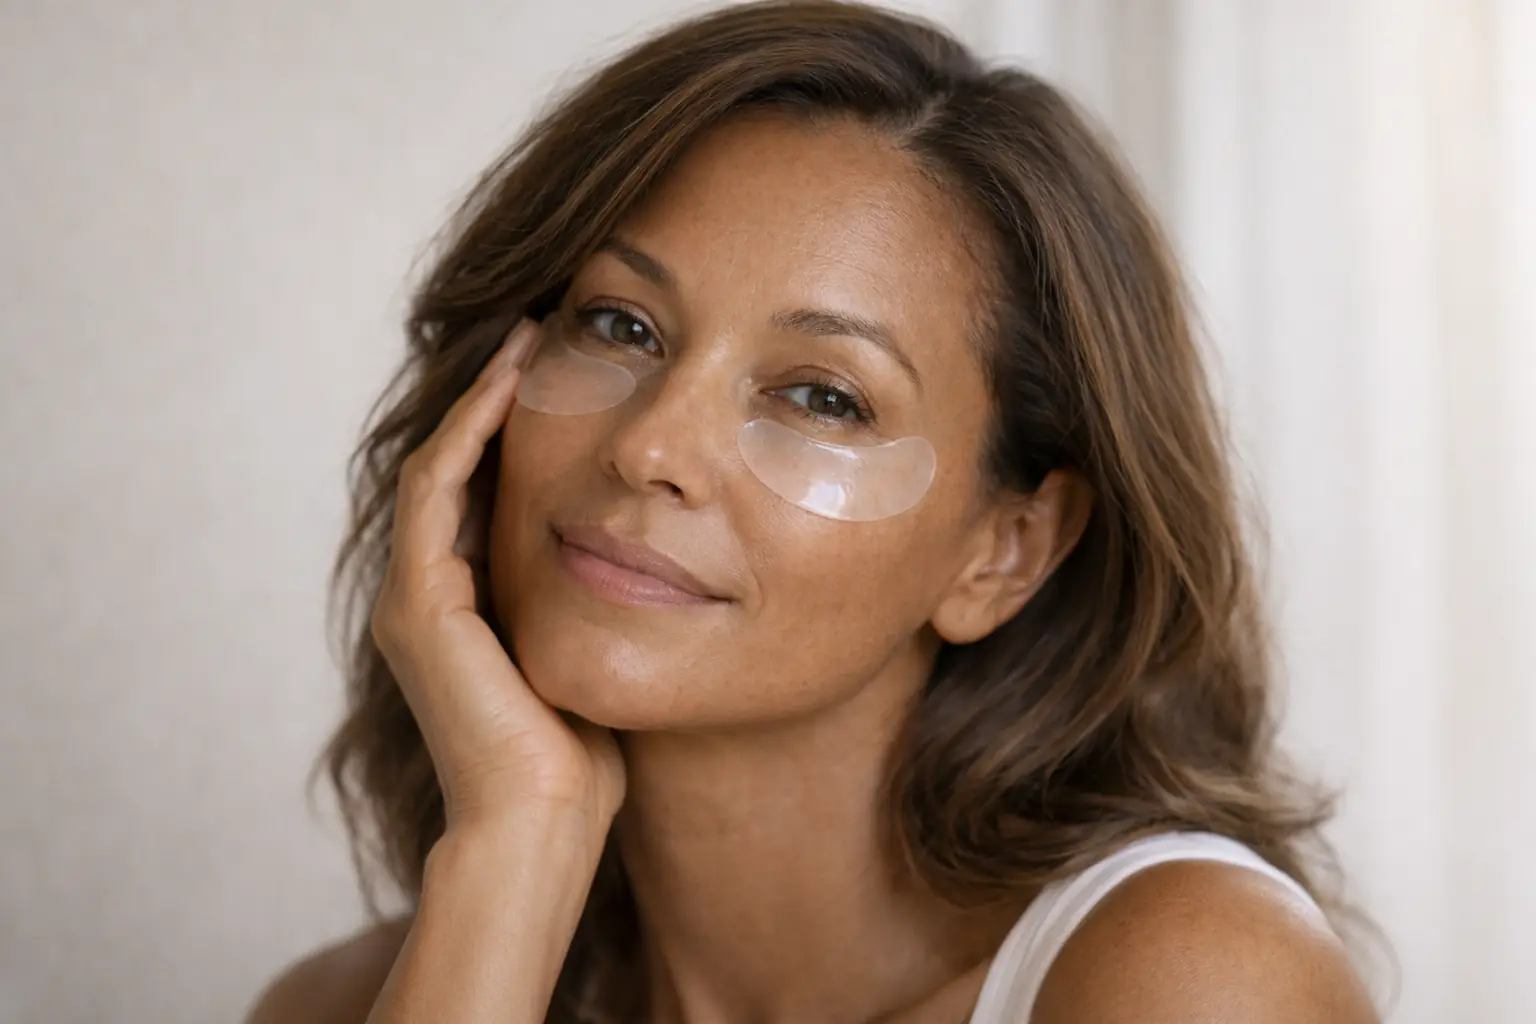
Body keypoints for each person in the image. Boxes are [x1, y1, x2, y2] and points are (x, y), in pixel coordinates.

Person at [246, 1, 1380, 1021]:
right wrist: (512, 848)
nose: (649, 446)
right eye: (620, 326)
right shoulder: (360, 1001)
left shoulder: (1186, 981)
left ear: (1004, 551)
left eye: (823, 398)